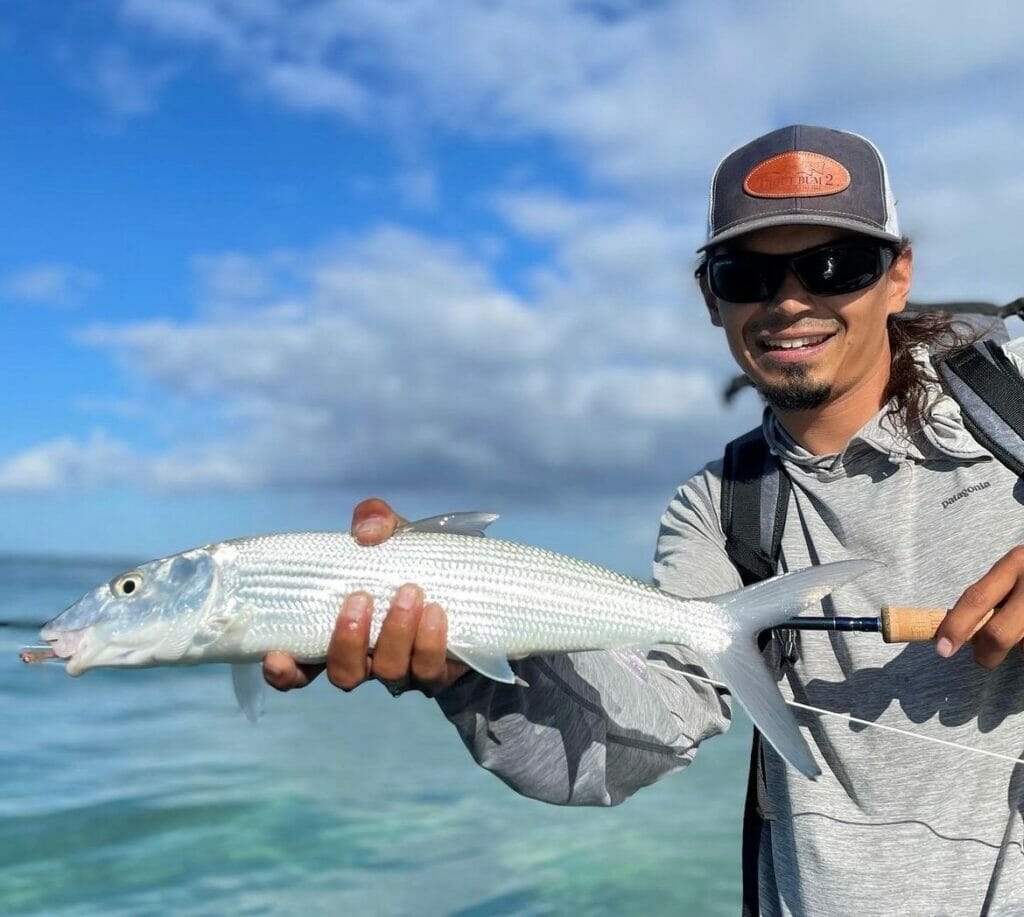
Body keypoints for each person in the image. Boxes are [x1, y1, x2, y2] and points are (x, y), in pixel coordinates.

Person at [262, 126, 1024, 915]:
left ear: (898, 275)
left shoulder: (1013, 403)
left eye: (837, 266)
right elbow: (632, 740)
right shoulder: (719, 508)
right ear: (711, 297)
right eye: (747, 274)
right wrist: (466, 658)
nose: (790, 300)